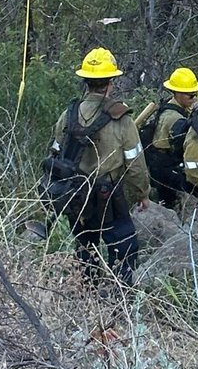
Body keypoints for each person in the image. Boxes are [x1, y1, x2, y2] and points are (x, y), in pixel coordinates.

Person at [48, 48, 149, 284]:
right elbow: (135, 163)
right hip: (109, 195)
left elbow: (55, 152)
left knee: (85, 246)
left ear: (86, 81)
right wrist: (142, 194)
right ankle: (119, 295)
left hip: (75, 195)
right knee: (124, 245)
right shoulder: (121, 119)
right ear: (111, 83)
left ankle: (89, 292)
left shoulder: (68, 114)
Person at [144, 67, 198, 209]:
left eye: (195, 94)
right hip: (165, 168)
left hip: (161, 165)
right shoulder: (174, 118)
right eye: (189, 95)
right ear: (177, 93)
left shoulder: (171, 107)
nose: (193, 98)